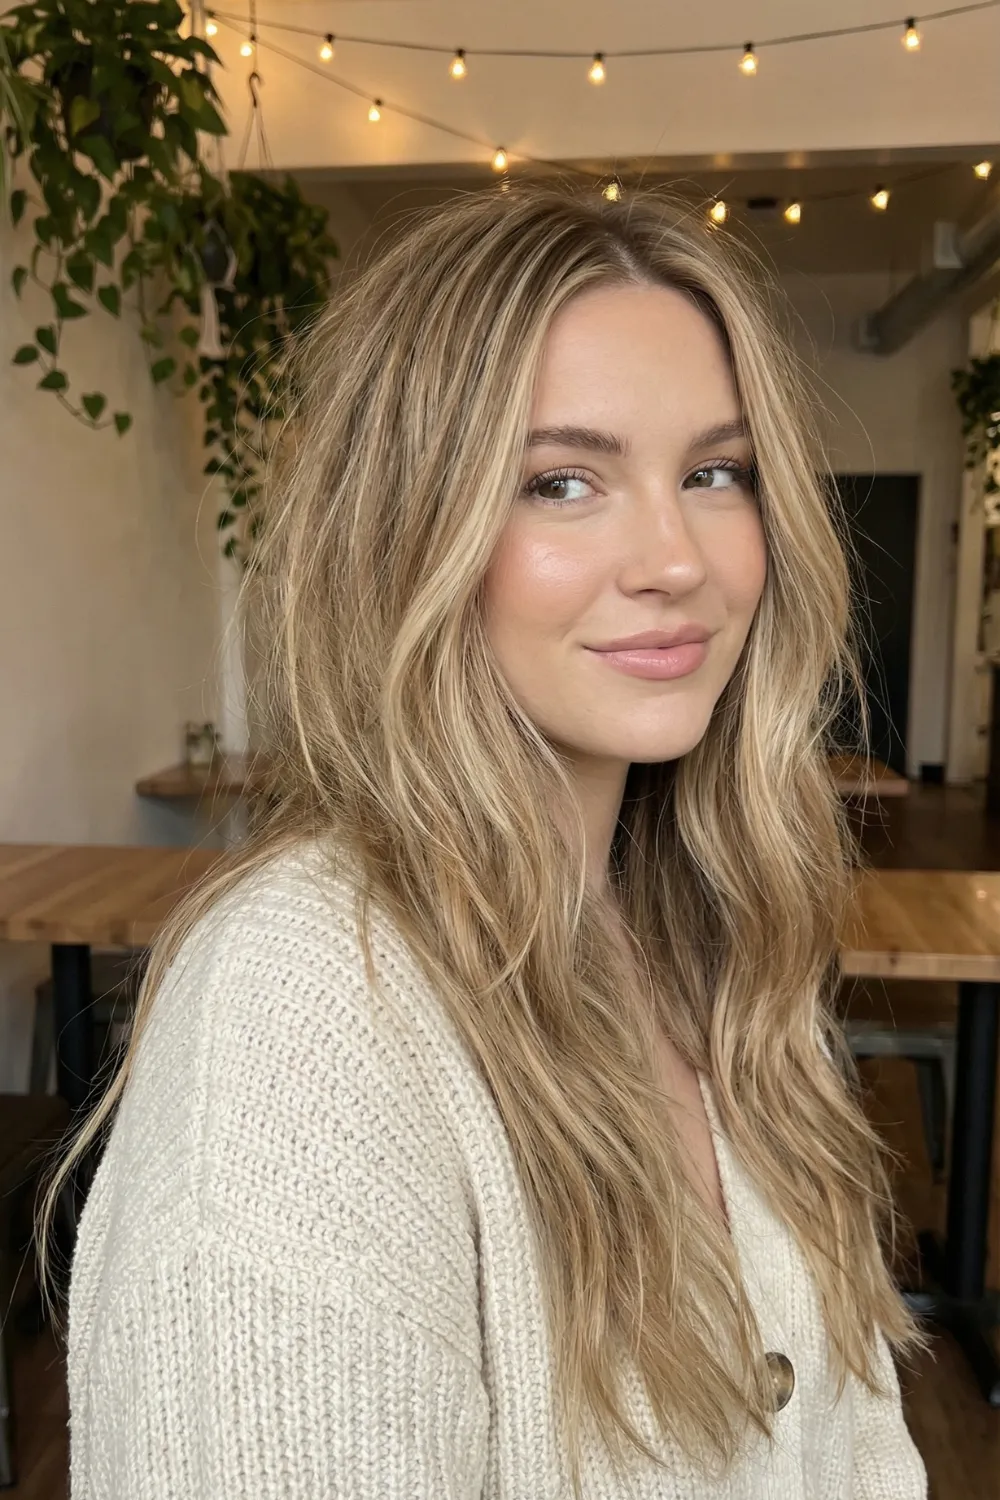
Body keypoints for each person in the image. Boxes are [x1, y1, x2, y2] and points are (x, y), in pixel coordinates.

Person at [40, 182, 928, 1498]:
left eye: (714, 472)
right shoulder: (304, 1012)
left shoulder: (716, 940)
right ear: (408, 534)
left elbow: (853, 1440)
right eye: (561, 481)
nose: (675, 555)